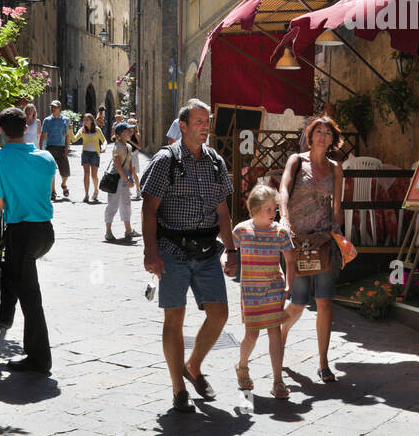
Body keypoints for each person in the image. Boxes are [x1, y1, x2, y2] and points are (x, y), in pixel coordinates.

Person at [141, 99, 236, 414]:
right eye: (199, 121)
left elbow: (223, 211)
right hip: (172, 251)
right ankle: (179, 388)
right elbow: (149, 208)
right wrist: (150, 251)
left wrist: (232, 250)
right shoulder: (165, 160)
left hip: (208, 251)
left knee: (219, 314)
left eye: (207, 121)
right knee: (175, 317)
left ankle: (192, 366)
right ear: (183, 127)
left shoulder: (215, 162)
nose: (205, 126)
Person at [0, 106, 58, 375]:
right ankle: (5, 317)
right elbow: (48, 191)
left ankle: (39, 358)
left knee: (31, 296)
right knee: (13, 271)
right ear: (26, 128)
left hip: (21, 233)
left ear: (0, 131)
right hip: (45, 233)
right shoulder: (47, 158)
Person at [279, 115, 345, 383]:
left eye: (327, 133)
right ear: (311, 135)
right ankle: (280, 335)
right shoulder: (297, 161)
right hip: (297, 241)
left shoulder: (336, 168)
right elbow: (283, 189)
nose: (322, 136)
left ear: (332, 139)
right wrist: (283, 218)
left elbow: (337, 206)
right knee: (298, 303)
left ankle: (323, 362)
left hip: (323, 241)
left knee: (325, 302)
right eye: (318, 131)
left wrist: (337, 233)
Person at [232, 183, 295, 399]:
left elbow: (289, 258)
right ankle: (242, 366)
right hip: (250, 291)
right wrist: (225, 261)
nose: (273, 213)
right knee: (252, 334)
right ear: (255, 209)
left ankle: (278, 380)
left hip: (273, 288)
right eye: (269, 208)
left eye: (275, 208)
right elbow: (228, 252)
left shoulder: (280, 232)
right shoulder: (241, 231)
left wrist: (288, 283)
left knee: (274, 331)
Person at [103, 123, 138, 242]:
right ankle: (108, 231)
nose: (131, 132)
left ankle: (128, 231)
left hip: (124, 179)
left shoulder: (128, 146)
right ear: (122, 133)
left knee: (126, 204)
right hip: (116, 179)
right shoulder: (117, 147)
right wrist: (127, 179)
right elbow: (118, 166)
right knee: (113, 204)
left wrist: (131, 178)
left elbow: (129, 164)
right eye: (128, 130)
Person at [71, 113, 108, 204]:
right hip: (86, 154)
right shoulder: (82, 130)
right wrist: (70, 130)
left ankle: (96, 191)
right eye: (84, 120)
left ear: (91, 121)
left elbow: (104, 141)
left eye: (87, 119)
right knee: (86, 173)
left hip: (95, 154)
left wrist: (104, 147)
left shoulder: (97, 130)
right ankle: (86, 195)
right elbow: (74, 139)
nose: (85, 121)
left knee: (94, 175)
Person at [39, 100, 71, 202]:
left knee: (65, 172)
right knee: (51, 171)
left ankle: (64, 184)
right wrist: (40, 148)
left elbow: (67, 135)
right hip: (50, 147)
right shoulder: (47, 120)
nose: (53, 108)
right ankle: (53, 192)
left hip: (61, 148)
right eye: (52, 107)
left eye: (55, 107)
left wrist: (67, 148)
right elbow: (43, 135)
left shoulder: (65, 120)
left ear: (59, 108)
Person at [125, 118, 144, 200]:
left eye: (131, 124)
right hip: (126, 155)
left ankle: (138, 191)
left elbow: (139, 147)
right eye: (128, 123)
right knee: (126, 172)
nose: (129, 126)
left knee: (133, 174)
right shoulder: (126, 133)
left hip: (133, 155)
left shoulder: (136, 135)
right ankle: (127, 190)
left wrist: (130, 141)